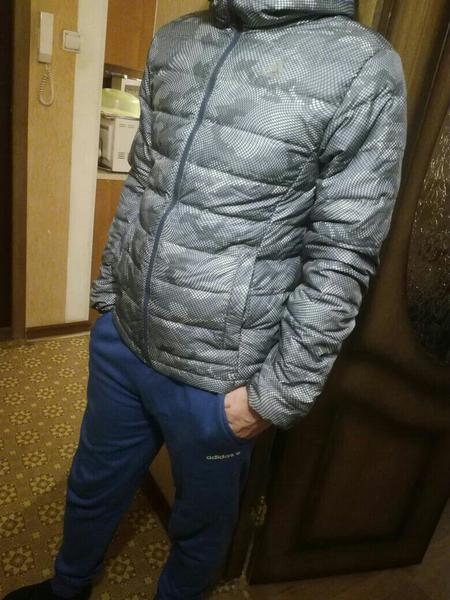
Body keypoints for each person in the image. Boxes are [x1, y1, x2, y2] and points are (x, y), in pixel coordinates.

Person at [3, 1, 408, 598]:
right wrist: (111, 293)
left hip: (219, 379)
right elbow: (143, 179)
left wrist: (272, 397)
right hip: (125, 342)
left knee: (200, 528)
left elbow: (342, 255)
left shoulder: (361, 67)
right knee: (92, 482)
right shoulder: (175, 38)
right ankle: (68, 587)